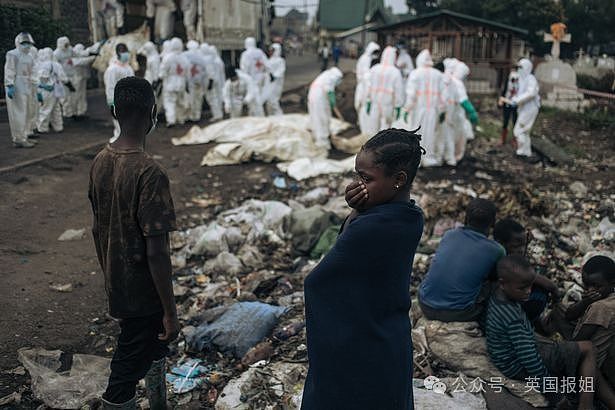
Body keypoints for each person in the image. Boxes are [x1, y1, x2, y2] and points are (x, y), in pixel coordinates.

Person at [302, 128, 425, 410]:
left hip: (361, 346)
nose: (358, 184)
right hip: (389, 336)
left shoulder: (372, 226)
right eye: (357, 175)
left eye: (366, 179)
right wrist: (360, 208)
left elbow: (319, 283)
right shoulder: (412, 216)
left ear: (398, 180)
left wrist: (357, 212)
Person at [89, 76, 179, 410]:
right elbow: (157, 251)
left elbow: (98, 228)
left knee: (153, 349)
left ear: (114, 112)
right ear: (153, 114)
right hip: (145, 292)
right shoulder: (149, 172)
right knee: (125, 370)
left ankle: (159, 402)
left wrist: (111, 275)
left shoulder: (100, 161)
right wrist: (170, 311)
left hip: (119, 283)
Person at [486, 256, 615, 409]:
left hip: (513, 357)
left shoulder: (496, 298)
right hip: (516, 363)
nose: (528, 292)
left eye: (530, 286)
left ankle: (588, 404)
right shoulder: (513, 318)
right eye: (587, 285)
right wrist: (552, 391)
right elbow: (530, 359)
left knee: (587, 348)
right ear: (502, 284)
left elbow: (575, 339)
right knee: (574, 331)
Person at [418, 198, 505, 322]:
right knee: (500, 283)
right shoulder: (497, 250)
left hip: (424, 303)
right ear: (493, 223)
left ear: (466, 219)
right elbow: (495, 278)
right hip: (457, 313)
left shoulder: (449, 235)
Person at [561, 255, 615, 389]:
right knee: (559, 311)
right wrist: (585, 302)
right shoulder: (608, 298)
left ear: (613, 283)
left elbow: (577, 343)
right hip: (597, 357)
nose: (590, 290)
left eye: (596, 286)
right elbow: (569, 315)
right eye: (586, 284)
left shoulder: (601, 307)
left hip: (586, 364)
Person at [493, 218, 561, 322]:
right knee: (540, 295)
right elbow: (549, 285)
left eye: (523, 245)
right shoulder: (504, 262)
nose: (521, 250)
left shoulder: (500, 253)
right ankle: (525, 322)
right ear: (500, 243)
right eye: (516, 246)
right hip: (499, 306)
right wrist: (556, 295)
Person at [403, 49, 445, 167]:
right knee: (430, 133)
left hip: (418, 109)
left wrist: (407, 109)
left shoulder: (415, 73)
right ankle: (428, 158)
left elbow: (411, 94)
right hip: (433, 110)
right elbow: (443, 95)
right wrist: (442, 110)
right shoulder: (438, 75)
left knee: (417, 133)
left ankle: (416, 159)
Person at [4, 32, 37, 148]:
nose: (27, 45)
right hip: (16, 86)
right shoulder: (13, 54)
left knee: (27, 112)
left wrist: (34, 85)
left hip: (27, 86)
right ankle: (18, 138)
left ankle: (25, 135)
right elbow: (9, 70)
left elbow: (33, 71)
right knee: (19, 113)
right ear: (18, 42)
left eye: (28, 43)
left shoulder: (30, 56)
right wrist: (9, 85)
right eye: (24, 43)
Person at [363, 46, 404, 135]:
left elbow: (368, 86)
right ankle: (383, 148)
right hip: (387, 106)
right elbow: (399, 90)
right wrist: (398, 105)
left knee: (373, 129)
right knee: (385, 132)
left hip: (375, 104)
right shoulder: (395, 72)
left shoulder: (374, 69)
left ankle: (372, 148)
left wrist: (368, 100)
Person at [307, 67, 343, 150]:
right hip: (319, 98)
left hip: (314, 95)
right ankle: (322, 142)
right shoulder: (333, 77)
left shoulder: (325, 76)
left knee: (317, 117)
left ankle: (319, 136)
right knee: (322, 118)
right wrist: (333, 103)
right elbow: (330, 92)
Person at [104, 43, 135, 142]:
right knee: (119, 120)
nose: (125, 53)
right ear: (117, 53)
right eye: (123, 51)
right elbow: (110, 86)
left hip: (129, 98)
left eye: (126, 51)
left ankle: (127, 139)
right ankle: (119, 139)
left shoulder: (128, 68)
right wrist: (111, 101)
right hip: (118, 99)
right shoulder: (112, 69)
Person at [511, 58, 540, 158]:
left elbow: (531, 93)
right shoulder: (522, 79)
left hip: (530, 108)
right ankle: (526, 152)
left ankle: (521, 152)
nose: (519, 69)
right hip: (524, 108)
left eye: (521, 67)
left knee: (518, 130)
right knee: (525, 132)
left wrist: (518, 99)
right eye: (518, 67)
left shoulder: (530, 78)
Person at [36, 47, 68, 133]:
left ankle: (42, 128)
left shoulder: (40, 64)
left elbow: (40, 79)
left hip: (45, 90)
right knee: (56, 109)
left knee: (45, 109)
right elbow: (64, 79)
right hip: (56, 90)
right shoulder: (57, 64)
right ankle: (58, 126)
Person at [159, 38, 189, 127]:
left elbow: (163, 70)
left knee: (169, 102)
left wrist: (160, 78)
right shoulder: (184, 57)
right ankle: (181, 119)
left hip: (170, 83)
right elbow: (187, 71)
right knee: (180, 102)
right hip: (181, 82)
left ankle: (171, 120)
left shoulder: (168, 57)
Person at [355, 41, 380, 134]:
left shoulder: (365, 58)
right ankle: (364, 128)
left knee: (362, 107)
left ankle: (362, 126)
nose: (376, 55)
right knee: (363, 106)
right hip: (363, 85)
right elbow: (366, 76)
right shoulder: (366, 59)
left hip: (364, 85)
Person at [239, 37, 267, 116]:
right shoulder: (260, 52)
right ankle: (256, 114)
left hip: (251, 79)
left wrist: (244, 80)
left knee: (252, 100)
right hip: (260, 78)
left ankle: (256, 116)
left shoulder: (245, 54)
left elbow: (244, 68)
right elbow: (266, 64)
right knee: (259, 98)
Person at [182, 40, 208, 122]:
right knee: (198, 99)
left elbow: (184, 69)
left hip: (189, 80)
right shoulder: (201, 56)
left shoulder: (185, 55)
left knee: (190, 98)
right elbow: (205, 70)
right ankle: (197, 115)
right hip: (199, 80)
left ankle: (190, 115)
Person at [71, 43, 97, 120]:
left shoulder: (82, 56)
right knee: (76, 96)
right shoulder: (73, 58)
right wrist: (92, 57)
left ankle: (81, 112)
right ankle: (74, 112)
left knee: (82, 96)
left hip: (82, 78)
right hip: (76, 79)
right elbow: (81, 62)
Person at [53, 36, 77, 120]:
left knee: (73, 96)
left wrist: (89, 52)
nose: (67, 46)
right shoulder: (56, 54)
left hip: (72, 75)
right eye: (65, 44)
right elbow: (56, 68)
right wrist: (63, 79)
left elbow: (77, 54)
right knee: (65, 97)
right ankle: (66, 114)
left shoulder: (70, 50)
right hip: (62, 79)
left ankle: (73, 112)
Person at [263, 43, 285, 116]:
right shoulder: (269, 60)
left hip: (276, 84)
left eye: (272, 50)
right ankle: (271, 117)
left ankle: (279, 117)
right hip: (269, 84)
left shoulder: (280, 60)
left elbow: (281, 70)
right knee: (269, 102)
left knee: (273, 101)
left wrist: (274, 76)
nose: (271, 52)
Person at [498, 68, 519, 146]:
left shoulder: (520, 81)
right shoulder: (507, 81)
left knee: (515, 121)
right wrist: (501, 99)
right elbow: (503, 90)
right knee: (505, 121)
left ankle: (515, 139)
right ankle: (503, 138)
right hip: (507, 103)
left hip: (516, 104)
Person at [208, 45, 226, 121]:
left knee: (215, 97)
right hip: (221, 80)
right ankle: (221, 111)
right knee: (220, 96)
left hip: (216, 81)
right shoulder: (219, 60)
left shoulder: (214, 61)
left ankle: (218, 113)